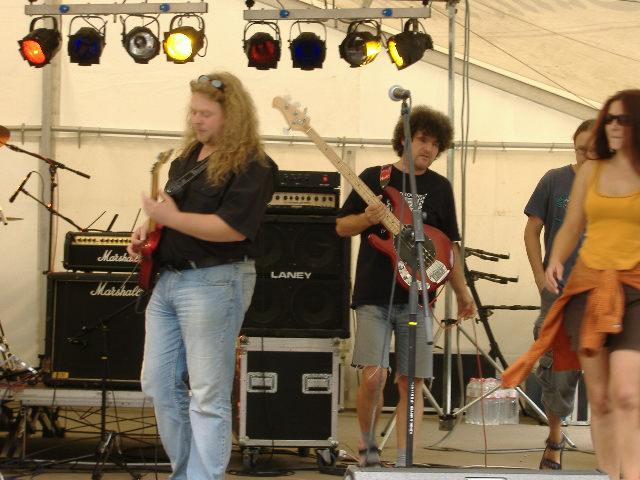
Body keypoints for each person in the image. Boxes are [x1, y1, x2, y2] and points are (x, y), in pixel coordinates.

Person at [127, 71, 277, 480]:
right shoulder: (186, 159)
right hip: (167, 281)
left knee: (208, 393)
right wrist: (147, 230)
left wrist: (171, 217)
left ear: (232, 115)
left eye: (205, 113)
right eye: (193, 111)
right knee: (158, 384)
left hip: (215, 282)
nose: (195, 119)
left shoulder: (254, 165)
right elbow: (168, 213)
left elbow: (233, 229)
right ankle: (186, 474)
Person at [503, 89, 640, 480]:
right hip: (581, 288)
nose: (614, 126)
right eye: (610, 119)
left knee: (626, 389)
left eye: (624, 119)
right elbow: (562, 227)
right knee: (592, 392)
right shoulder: (578, 176)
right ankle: (591, 461)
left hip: (632, 287)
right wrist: (550, 264)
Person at [335, 105, 476, 467]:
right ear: (404, 139)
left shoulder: (440, 188)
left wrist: (462, 292)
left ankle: (404, 458)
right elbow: (341, 227)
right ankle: (367, 448)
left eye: (435, 144)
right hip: (374, 295)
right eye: (422, 139)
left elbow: (449, 247)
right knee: (373, 376)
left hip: (419, 298)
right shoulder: (375, 177)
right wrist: (366, 218)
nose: (428, 148)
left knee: (411, 382)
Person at [523, 119, 594, 470]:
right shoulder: (554, 180)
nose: (587, 155)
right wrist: (540, 275)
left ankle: (612, 445)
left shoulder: (620, 185)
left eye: (594, 150)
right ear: (574, 147)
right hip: (560, 294)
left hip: (603, 295)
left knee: (606, 370)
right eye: (581, 150)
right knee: (557, 371)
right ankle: (554, 440)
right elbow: (532, 230)